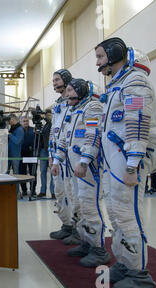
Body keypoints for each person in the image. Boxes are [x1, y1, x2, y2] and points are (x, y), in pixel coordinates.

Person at [95, 37, 156, 288]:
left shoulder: (135, 81)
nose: (98, 63)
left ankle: (140, 273)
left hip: (130, 159)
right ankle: (125, 263)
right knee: (115, 211)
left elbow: (137, 121)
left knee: (128, 213)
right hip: (117, 157)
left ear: (116, 54)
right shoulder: (117, 85)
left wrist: (133, 164)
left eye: (101, 57)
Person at [51, 79, 110, 268]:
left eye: (70, 90)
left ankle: (99, 249)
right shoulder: (73, 111)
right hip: (72, 168)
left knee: (89, 206)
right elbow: (64, 140)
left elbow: (93, 136)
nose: (67, 95)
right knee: (78, 205)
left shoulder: (92, 108)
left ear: (80, 91)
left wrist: (84, 161)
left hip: (86, 168)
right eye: (66, 91)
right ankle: (86, 242)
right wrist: (57, 161)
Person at [48, 69, 75, 241]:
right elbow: (53, 132)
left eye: (57, 79)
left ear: (66, 79)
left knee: (72, 193)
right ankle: (66, 225)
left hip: (71, 156)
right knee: (59, 192)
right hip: (57, 157)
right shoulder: (57, 106)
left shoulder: (75, 101)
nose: (55, 83)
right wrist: (52, 156)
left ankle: (78, 230)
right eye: (53, 81)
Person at [37, 109, 55, 198]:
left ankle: (53, 191)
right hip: (43, 150)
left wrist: (45, 117)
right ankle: (43, 191)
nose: (47, 117)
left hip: (51, 150)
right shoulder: (45, 126)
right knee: (42, 171)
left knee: (52, 171)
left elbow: (51, 122)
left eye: (49, 115)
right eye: (46, 115)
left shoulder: (53, 124)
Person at [19, 116, 36, 196]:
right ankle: (24, 190)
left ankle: (32, 190)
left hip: (31, 154)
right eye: (24, 121)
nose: (26, 122)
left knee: (33, 173)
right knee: (22, 173)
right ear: (21, 122)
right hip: (21, 154)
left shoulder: (33, 129)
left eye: (27, 121)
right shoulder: (19, 130)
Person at [8, 114, 24, 197]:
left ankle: (17, 192)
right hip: (8, 154)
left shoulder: (20, 129)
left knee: (16, 174)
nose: (8, 122)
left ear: (13, 119)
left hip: (15, 155)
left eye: (9, 120)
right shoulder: (12, 128)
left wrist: (9, 135)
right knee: (6, 173)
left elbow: (17, 141)